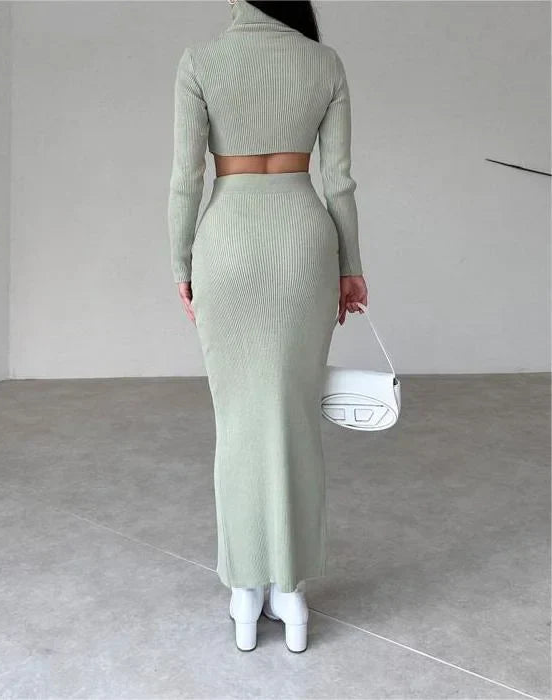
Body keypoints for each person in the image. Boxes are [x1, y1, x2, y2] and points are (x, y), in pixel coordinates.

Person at [167, 0, 368, 653]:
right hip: (303, 244)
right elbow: (339, 181)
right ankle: (290, 590)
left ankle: (244, 588)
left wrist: (181, 263)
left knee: (238, 422)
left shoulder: (201, 62)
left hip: (227, 244)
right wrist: (350, 267)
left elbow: (185, 179)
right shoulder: (325, 63)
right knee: (293, 417)